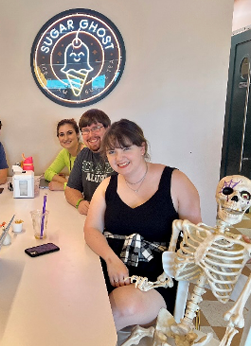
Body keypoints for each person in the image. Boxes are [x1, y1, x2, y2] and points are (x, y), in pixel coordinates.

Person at [83, 119, 201, 331]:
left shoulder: (175, 180)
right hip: (109, 270)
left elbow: (197, 234)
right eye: (111, 152)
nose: (119, 158)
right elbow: (91, 229)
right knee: (74, 298)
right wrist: (111, 260)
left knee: (118, 310)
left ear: (142, 148)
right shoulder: (107, 185)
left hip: (155, 279)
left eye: (126, 148)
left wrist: (225, 242)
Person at [65, 109, 115, 215]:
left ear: (108, 129)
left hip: (115, 216)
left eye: (96, 128)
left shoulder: (119, 154)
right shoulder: (84, 154)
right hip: (90, 217)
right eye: (86, 130)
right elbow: (70, 189)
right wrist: (80, 203)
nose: (91, 135)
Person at [44, 118, 85, 191]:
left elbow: (85, 186)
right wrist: (67, 183)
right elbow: (48, 173)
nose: (65, 138)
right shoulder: (64, 152)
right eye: (62, 134)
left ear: (78, 134)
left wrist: (62, 186)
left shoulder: (86, 153)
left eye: (69, 133)